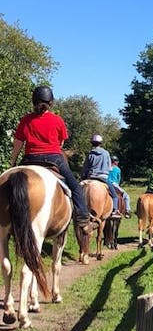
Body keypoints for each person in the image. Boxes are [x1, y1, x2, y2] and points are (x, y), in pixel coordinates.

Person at [11, 85, 95, 233]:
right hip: (54, 158)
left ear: (34, 101)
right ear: (51, 103)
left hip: (30, 159)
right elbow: (61, 142)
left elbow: (18, 144)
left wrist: (13, 164)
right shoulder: (57, 120)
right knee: (75, 186)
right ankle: (83, 221)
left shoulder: (25, 120)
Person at [81, 134, 120, 217]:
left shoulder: (90, 154)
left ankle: (74, 210)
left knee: (76, 192)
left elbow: (85, 168)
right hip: (103, 178)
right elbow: (110, 168)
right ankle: (114, 211)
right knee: (115, 196)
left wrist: (83, 176)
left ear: (92, 143)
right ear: (100, 143)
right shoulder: (106, 153)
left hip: (90, 177)